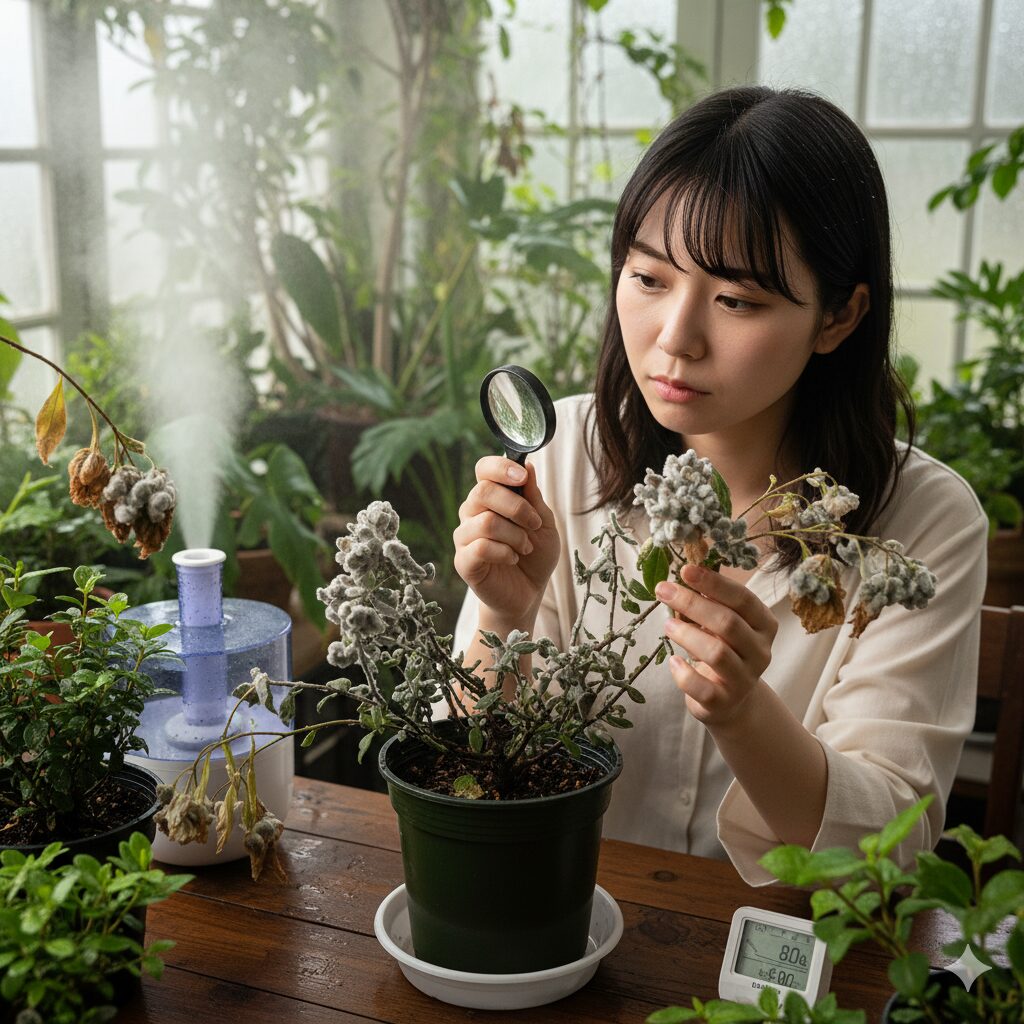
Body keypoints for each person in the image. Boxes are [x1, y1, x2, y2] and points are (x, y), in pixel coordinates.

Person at [451, 85, 987, 885]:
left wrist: (743, 711)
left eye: (736, 299)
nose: (676, 339)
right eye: (649, 278)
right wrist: (503, 609)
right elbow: (466, 775)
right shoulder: (561, 460)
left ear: (839, 317)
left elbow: (890, 849)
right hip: (566, 919)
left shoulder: (923, 523)